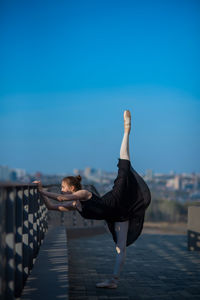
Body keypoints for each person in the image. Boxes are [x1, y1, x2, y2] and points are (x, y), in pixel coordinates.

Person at [34, 110, 151, 289]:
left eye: (64, 186)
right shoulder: (75, 205)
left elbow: (58, 197)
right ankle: (113, 281)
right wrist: (41, 195)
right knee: (120, 248)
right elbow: (52, 206)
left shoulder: (82, 194)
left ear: (72, 188)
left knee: (124, 169)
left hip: (115, 201)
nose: (62, 189)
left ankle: (126, 130)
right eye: (62, 187)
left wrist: (41, 190)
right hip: (116, 216)